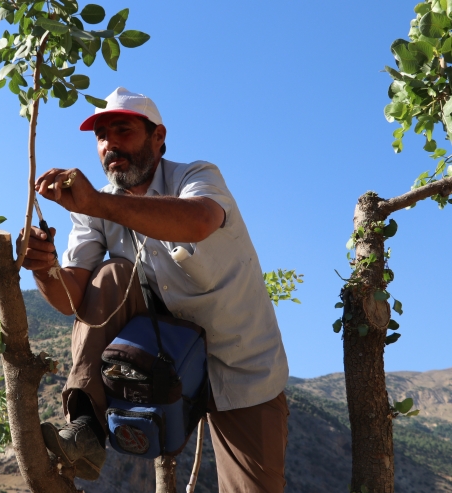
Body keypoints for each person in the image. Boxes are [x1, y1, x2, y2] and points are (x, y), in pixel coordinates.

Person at [17, 87, 290, 492]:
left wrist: (96, 204)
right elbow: (69, 299)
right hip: (164, 360)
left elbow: (198, 221)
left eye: (123, 130)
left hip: (243, 366)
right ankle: (87, 430)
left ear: (158, 137)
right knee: (110, 276)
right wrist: (43, 267)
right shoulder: (95, 206)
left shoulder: (196, 176)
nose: (110, 144)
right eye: (101, 136)